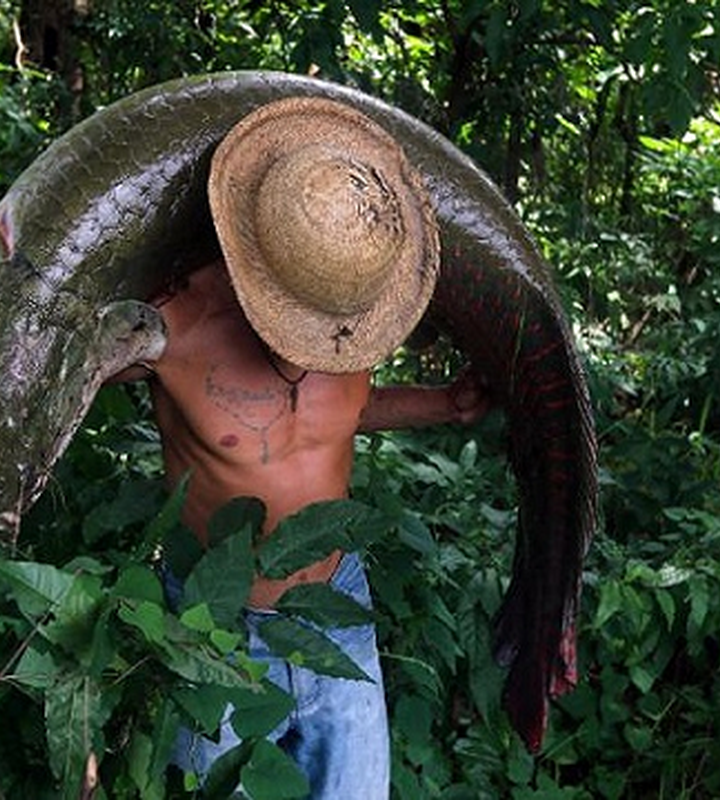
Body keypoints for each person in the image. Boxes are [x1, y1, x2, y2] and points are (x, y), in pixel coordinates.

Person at [110, 97, 488, 798]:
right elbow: (47, 362)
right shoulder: (172, 322)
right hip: (213, 620)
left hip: (333, 604)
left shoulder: (355, 301)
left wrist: (441, 404)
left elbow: (337, 415)